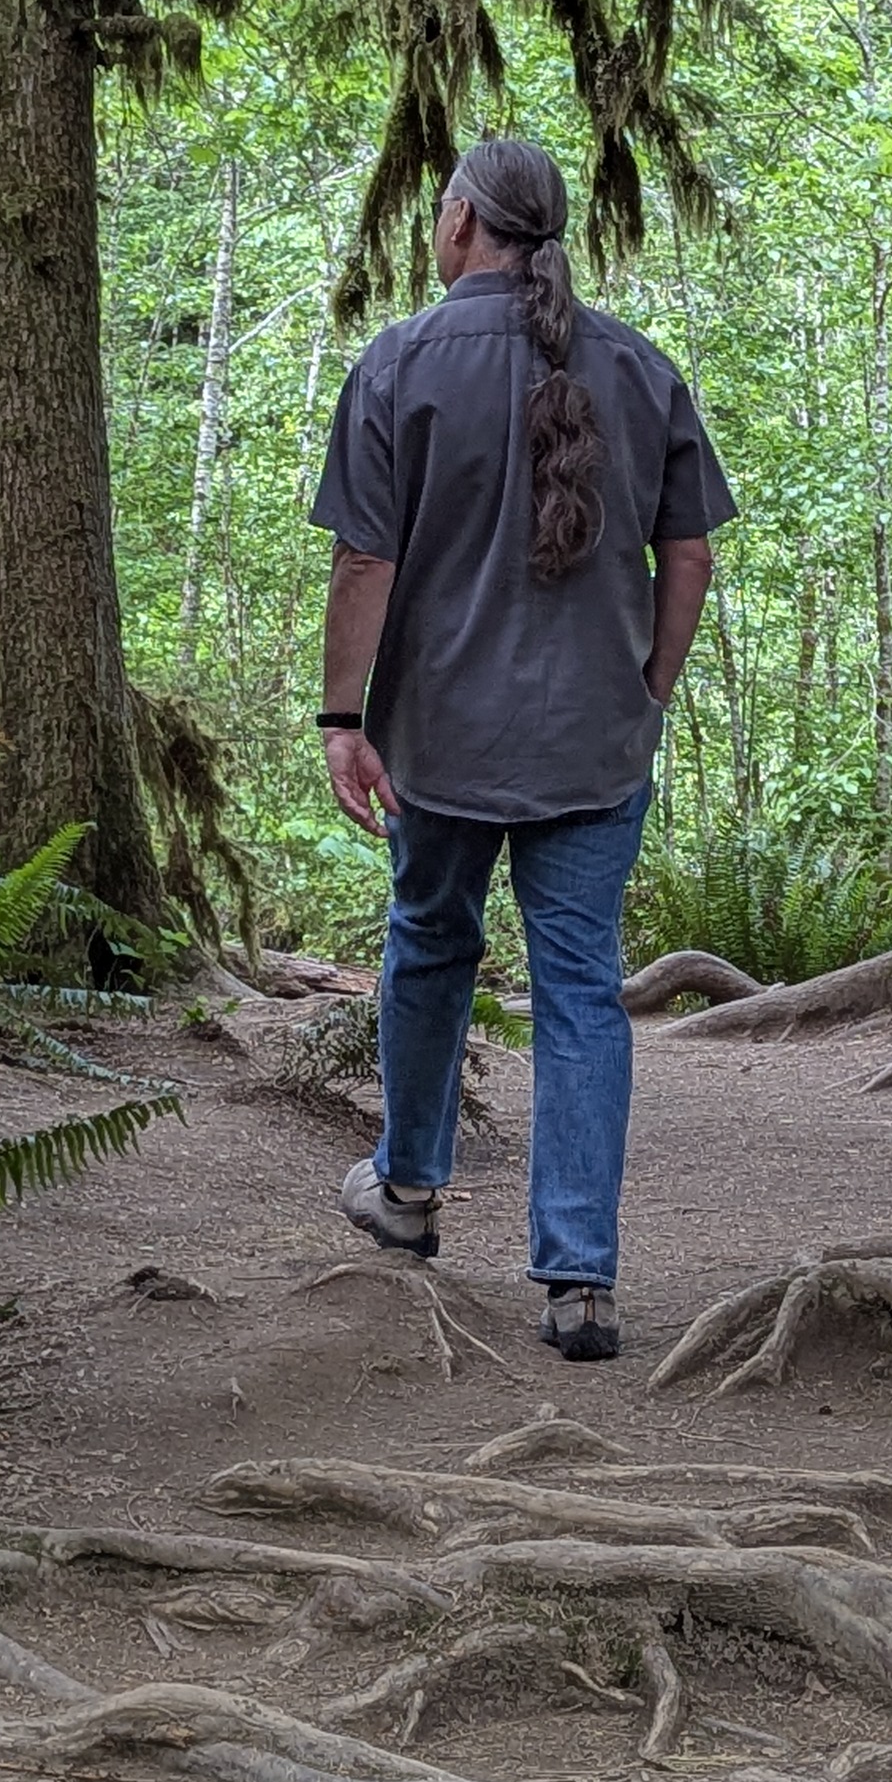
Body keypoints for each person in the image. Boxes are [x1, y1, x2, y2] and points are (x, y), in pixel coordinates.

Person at [310, 132, 732, 1361]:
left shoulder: (400, 364)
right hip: (595, 744)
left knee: (432, 945)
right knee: (582, 988)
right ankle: (579, 1277)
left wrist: (345, 717)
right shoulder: (640, 369)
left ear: (457, 226)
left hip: (438, 737)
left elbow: (365, 559)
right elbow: (690, 551)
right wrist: (650, 683)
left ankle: (407, 1191)